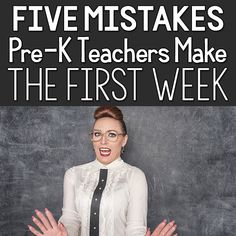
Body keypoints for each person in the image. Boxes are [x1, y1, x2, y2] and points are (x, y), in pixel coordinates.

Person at [28, 106, 177, 236]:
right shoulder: (73, 174)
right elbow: (70, 219)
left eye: (112, 134)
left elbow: (135, 229)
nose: (103, 141)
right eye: (97, 134)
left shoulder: (135, 176)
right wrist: (63, 233)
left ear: (124, 140)